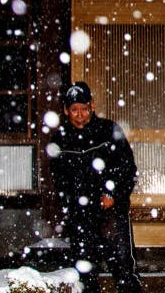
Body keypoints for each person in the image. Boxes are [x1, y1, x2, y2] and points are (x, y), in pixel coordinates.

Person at [49, 81, 142, 293]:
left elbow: (127, 168)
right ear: (66, 110)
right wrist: (72, 207)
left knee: (124, 271)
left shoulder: (109, 131)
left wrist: (113, 193)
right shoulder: (60, 140)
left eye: (84, 108)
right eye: (74, 110)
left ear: (92, 105)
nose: (80, 114)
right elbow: (59, 180)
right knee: (85, 276)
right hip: (81, 218)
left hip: (110, 214)